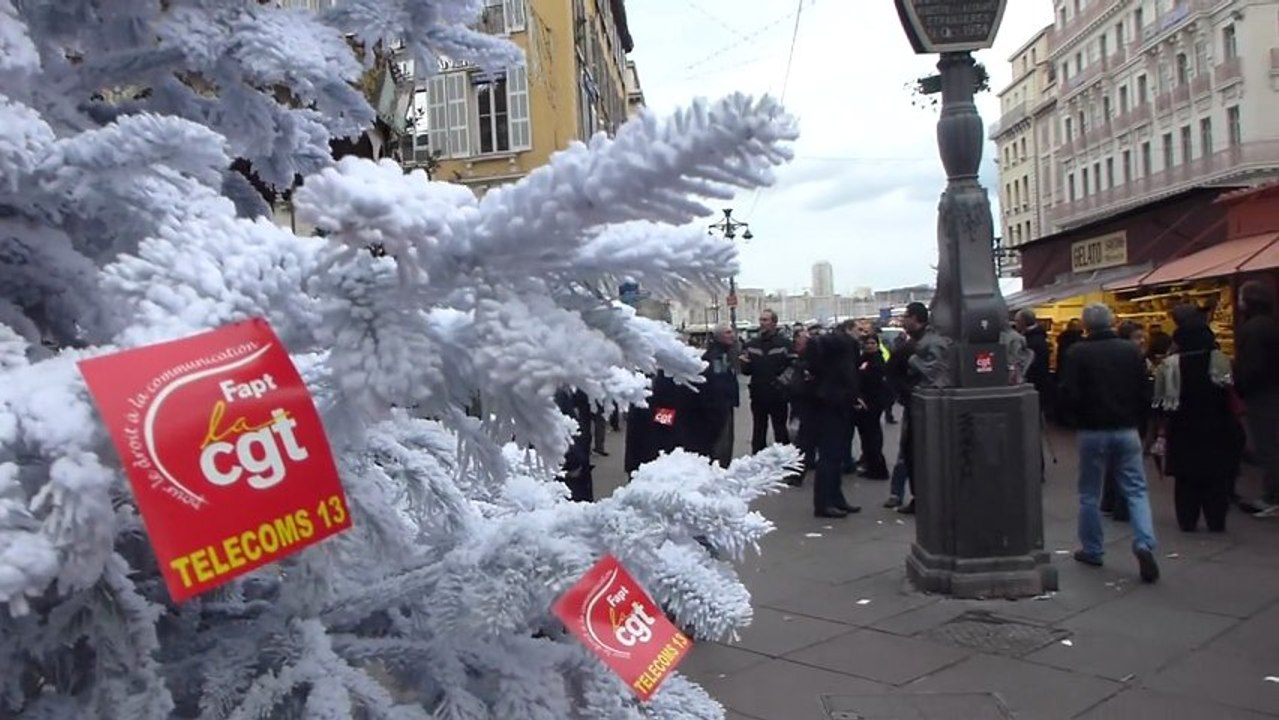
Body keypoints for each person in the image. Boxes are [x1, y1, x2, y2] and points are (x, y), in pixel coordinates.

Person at [1059, 303, 1159, 583]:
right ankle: (1143, 543)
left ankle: (1092, 548)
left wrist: (1073, 418)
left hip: (1092, 430)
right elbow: (1144, 391)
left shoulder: (1077, 352)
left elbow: (1068, 392)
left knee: (1089, 492)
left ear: (1086, 326)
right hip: (1126, 428)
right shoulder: (1129, 351)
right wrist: (1140, 422)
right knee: (1136, 489)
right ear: (1112, 322)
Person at [1154, 306, 1244, 532]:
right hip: (1218, 427)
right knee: (1217, 477)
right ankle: (1216, 520)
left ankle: (1187, 520)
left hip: (1183, 429)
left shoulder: (1171, 365)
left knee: (1185, 479)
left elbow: (1161, 402)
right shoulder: (1220, 360)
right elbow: (1232, 392)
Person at [801, 327, 861, 518]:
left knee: (834, 457)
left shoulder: (825, 364)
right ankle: (826, 502)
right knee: (830, 457)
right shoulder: (838, 363)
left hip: (832, 407)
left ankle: (834, 498)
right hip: (832, 409)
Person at [1235, 280, 1279, 517]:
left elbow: (1251, 366)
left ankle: (1273, 496)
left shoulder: (1253, 329)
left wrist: (1239, 385)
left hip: (1261, 394)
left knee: (1267, 446)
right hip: (1271, 389)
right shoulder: (1271, 324)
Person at [884, 302, 930, 514]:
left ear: (915, 318)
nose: (903, 321)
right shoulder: (913, 345)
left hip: (918, 405)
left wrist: (905, 392)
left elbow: (891, 372)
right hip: (922, 403)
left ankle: (916, 496)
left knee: (911, 452)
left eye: (906, 317)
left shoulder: (913, 347)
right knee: (912, 453)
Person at [740, 309, 792, 452]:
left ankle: (785, 462)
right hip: (758, 394)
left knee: (780, 430)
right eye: (761, 320)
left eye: (765, 320)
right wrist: (744, 364)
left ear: (774, 323)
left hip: (778, 395)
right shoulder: (751, 344)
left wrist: (781, 383)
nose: (762, 323)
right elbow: (746, 371)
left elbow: (793, 367)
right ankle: (758, 460)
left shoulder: (785, 344)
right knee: (758, 430)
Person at [702, 323, 740, 467]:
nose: (732, 336)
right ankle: (719, 469)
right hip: (719, 406)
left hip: (725, 403)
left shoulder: (726, 353)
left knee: (725, 442)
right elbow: (718, 381)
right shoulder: (716, 356)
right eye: (728, 333)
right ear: (719, 337)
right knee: (721, 443)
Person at [854, 334, 889, 479]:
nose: (869, 346)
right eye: (867, 343)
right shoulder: (863, 359)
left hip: (873, 403)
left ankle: (878, 469)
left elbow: (875, 383)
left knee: (872, 437)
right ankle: (869, 463)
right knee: (866, 437)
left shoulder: (877, 360)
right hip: (863, 403)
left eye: (872, 343)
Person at [554, 387, 594, 501]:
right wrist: (574, 462)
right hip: (568, 470)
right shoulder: (557, 395)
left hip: (575, 464)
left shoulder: (575, 392)